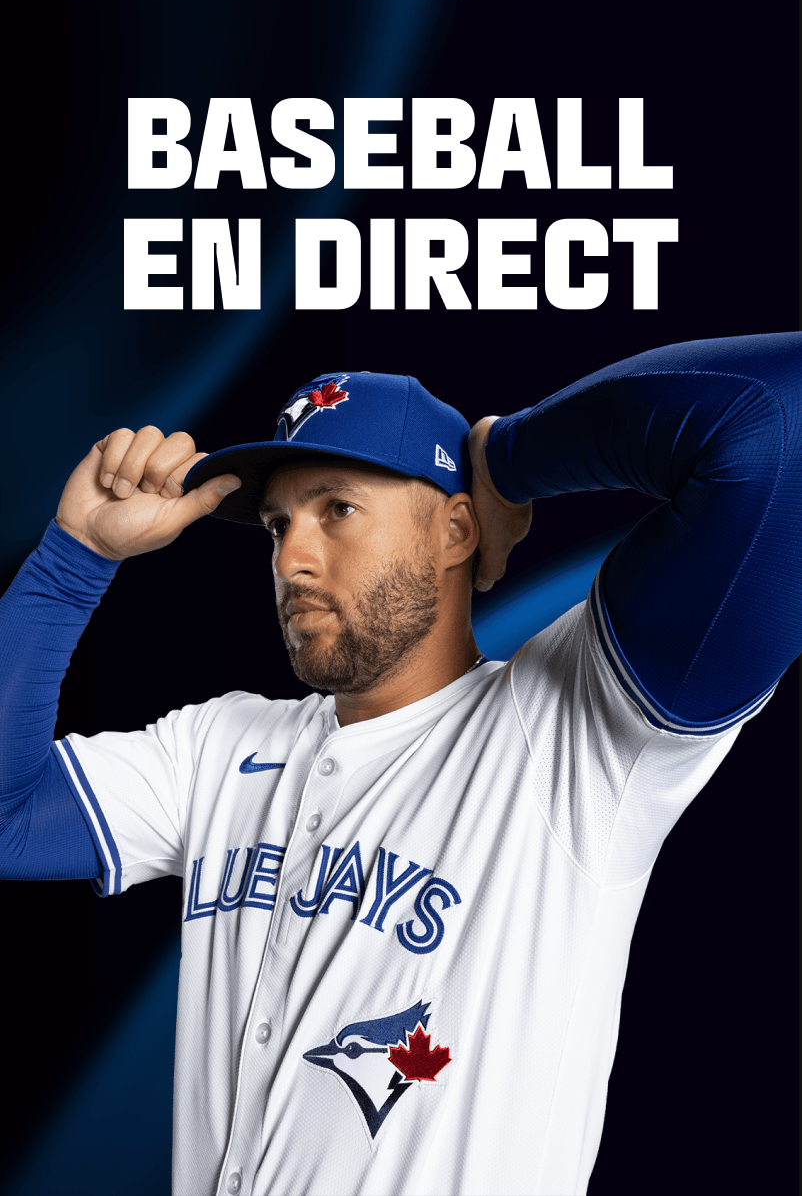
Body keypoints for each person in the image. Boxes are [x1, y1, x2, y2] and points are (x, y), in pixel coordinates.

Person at [1, 334, 800, 1196]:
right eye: (278, 524)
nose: (291, 559)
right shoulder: (219, 746)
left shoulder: (573, 734)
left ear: (455, 529)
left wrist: (504, 460)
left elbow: (774, 424)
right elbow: (10, 822)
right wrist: (71, 562)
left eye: (337, 508)